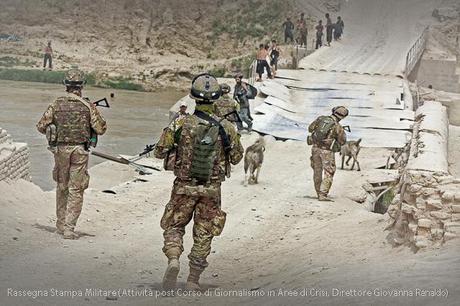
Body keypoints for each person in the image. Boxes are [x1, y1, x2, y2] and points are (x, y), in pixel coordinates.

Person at [154, 73, 243, 291]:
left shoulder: (181, 123)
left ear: (194, 97)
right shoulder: (227, 128)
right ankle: (193, 279)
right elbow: (237, 157)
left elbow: (159, 151)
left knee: (174, 225)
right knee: (204, 232)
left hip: (183, 186)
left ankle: (174, 258)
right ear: (215, 99)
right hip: (211, 190)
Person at [36, 69, 107, 239]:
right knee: (76, 189)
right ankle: (69, 228)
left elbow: (40, 126)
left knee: (62, 186)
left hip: (60, 150)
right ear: (82, 85)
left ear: (65, 85)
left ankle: (60, 225)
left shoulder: (56, 104)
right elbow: (101, 129)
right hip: (79, 151)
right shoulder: (88, 106)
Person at [308, 106, 348, 201]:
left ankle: (318, 192)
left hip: (315, 149)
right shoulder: (337, 126)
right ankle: (323, 194)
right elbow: (342, 141)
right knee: (329, 172)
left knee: (317, 171)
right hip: (327, 151)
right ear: (342, 117)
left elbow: (310, 128)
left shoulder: (321, 119)